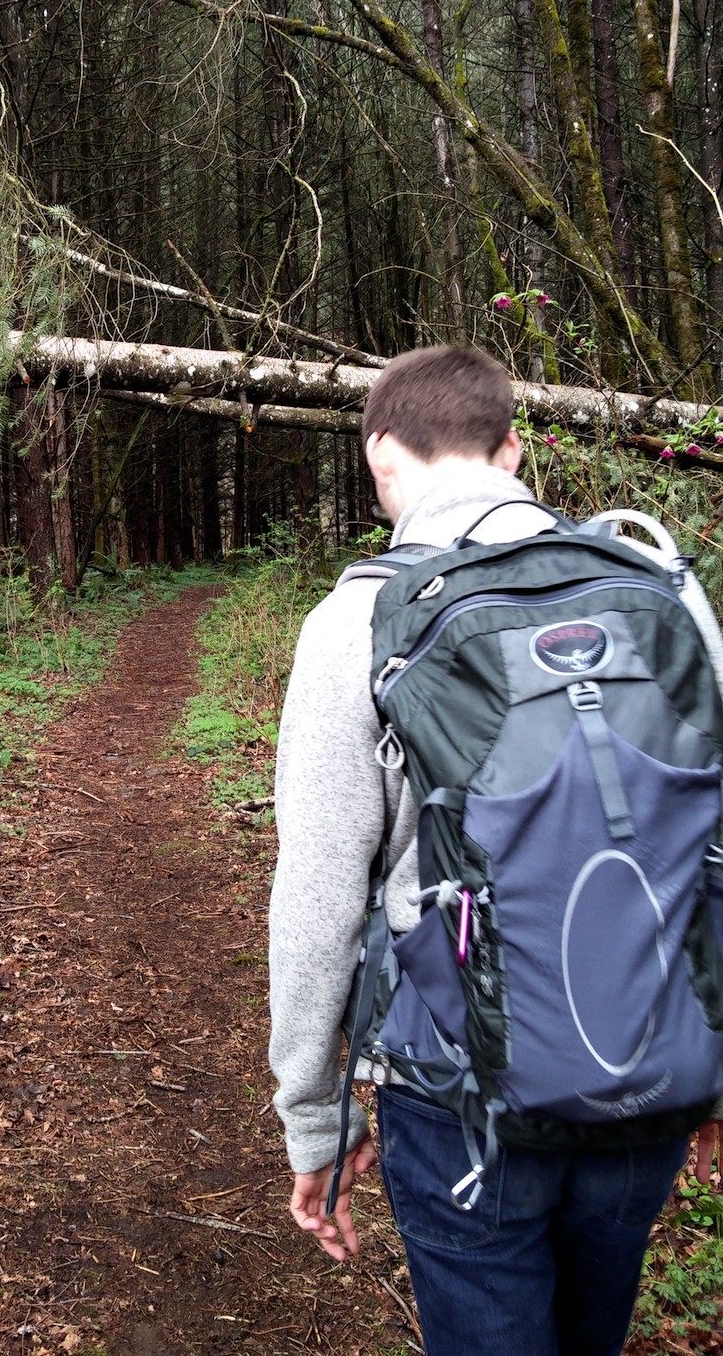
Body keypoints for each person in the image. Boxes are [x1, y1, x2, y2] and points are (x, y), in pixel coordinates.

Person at [268, 344, 723, 1356]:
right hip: (649, 1060)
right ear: (513, 450)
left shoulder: (357, 623)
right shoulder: (663, 590)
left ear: (381, 453)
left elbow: (316, 897)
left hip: (456, 1090)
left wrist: (316, 1119)